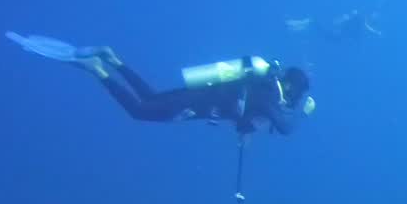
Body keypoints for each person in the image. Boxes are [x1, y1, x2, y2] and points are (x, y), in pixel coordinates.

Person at [74, 48, 314, 135]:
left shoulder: (262, 85)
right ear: (290, 87)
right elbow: (286, 129)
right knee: (139, 111)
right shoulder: (270, 95)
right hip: (194, 106)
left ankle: (113, 60)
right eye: (298, 95)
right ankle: (97, 69)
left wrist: (249, 127)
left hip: (199, 94)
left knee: (150, 97)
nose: (295, 100)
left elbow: (243, 123)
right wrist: (304, 112)